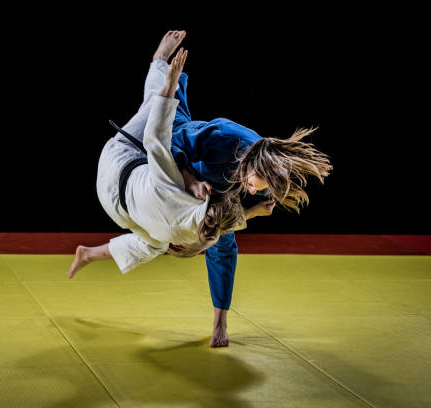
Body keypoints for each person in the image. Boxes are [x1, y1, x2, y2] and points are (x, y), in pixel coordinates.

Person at [167, 53, 333, 347]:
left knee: (223, 244)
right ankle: (169, 72)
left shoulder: (267, 176)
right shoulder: (223, 136)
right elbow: (174, 141)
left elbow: (238, 211)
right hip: (182, 152)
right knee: (166, 104)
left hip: (219, 187)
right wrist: (190, 180)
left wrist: (252, 210)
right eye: (257, 185)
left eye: (262, 190)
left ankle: (220, 323)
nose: (255, 192)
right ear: (253, 164)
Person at [67, 32, 261, 281]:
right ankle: (88, 254)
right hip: (115, 209)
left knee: (155, 108)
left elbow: (156, 140)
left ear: (207, 195)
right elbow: (224, 223)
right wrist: (253, 212)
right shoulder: (192, 236)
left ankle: (158, 58)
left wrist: (170, 86)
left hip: (116, 165)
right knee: (154, 244)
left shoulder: (173, 186)